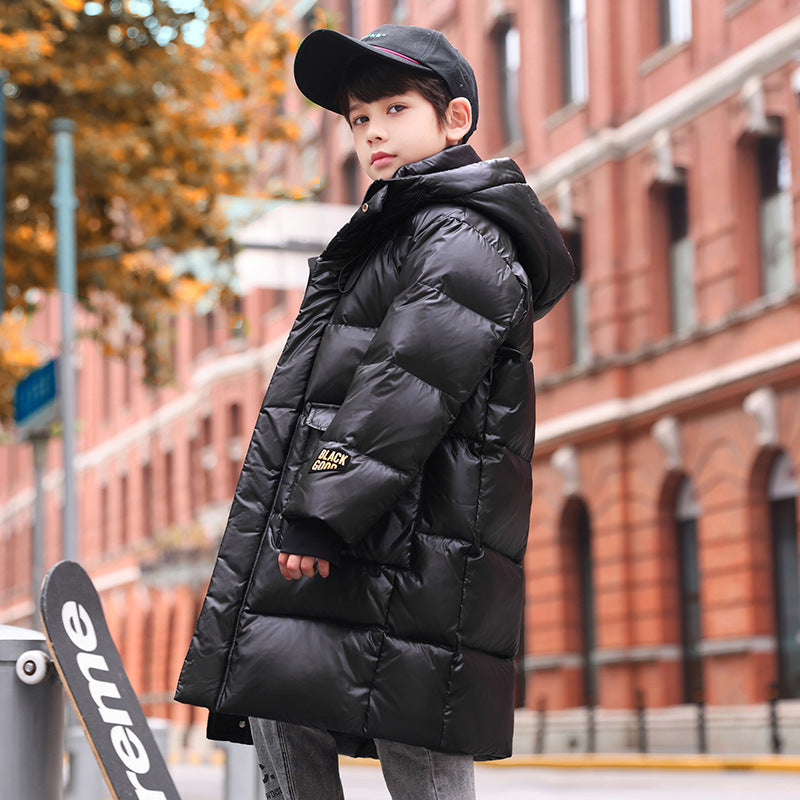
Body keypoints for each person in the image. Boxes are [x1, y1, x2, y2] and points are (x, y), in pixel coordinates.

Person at [175, 23, 574, 800]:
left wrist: (322, 511)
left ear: (455, 120)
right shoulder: (404, 226)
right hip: (383, 526)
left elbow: (407, 381)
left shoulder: (462, 234)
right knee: (278, 687)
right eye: (359, 118)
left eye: (394, 110)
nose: (372, 133)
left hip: (409, 538)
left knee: (413, 735)